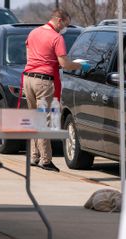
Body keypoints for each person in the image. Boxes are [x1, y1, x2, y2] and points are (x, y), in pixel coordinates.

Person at [23, 9, 90, 172]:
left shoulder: (33, 33)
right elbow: (65, 64)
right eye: (65, 24)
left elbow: (29, 56)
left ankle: (34, 156)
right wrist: (80, 65)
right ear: (59, 20)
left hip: (28, 78)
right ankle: (45, 160)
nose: (64, 28)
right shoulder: (56, 38)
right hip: (43, 81)